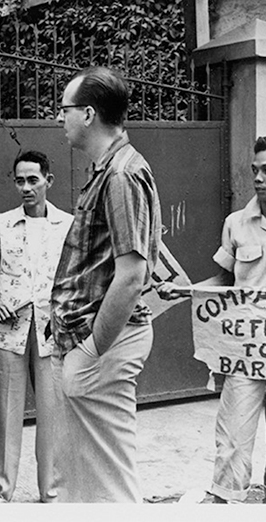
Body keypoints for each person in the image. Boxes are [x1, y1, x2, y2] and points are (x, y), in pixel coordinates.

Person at [157, 137, 266, 504]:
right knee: (233, 437)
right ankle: (227, 501)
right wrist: (187, 292)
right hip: (243, 353)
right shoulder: (236, 224)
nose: (258, 177)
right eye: (254, 170)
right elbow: (224, 282)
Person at [48, 66, 162, 502]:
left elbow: (132, 275)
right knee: (83, 477)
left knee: (108, 484)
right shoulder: (111, 168)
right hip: (88, 341)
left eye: (65, 108)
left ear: (89, 114)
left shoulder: (120, 175)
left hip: (103, 345)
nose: (59, 118)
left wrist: (90, 351)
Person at [0, 150, 72, 503]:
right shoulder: (1, 223)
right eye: (20, 181)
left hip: (51, 330)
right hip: (11, 329)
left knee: (54, 413)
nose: (26, 188)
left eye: (33, 180)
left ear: (49, 180)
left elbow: (76, 276)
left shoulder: (67, 225)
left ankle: (53, 490)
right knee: (5, 412)